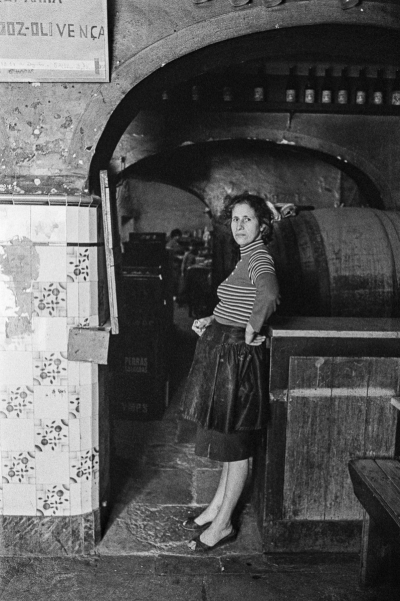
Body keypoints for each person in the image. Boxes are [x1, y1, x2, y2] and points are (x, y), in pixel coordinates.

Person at [180, 193, 280, 552]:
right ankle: (216, 508)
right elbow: (240, 300)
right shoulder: (246, 257)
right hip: (225, 351)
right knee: (225, 438)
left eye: (247, 219)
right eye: (235, 219)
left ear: (262, 226)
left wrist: (251, 329)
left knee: (236, 445)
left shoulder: (259, 257)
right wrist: (214, 318)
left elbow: (269, 294)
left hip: (238, 359)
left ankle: (223, 525)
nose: (239, 225)